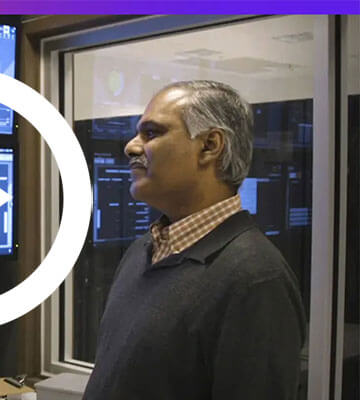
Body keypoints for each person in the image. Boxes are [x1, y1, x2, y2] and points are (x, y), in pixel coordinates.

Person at [82, 81, 306, 399]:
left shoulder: (255, 280)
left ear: (210, 146)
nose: (131, 147)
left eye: (151, 133)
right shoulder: (142, 251)